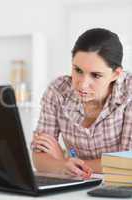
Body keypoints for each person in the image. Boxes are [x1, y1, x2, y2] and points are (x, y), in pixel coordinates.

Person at [31, 28, 132, 179]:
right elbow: (39, 156)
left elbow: (127, 163)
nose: (82, 84)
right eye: (77, 70)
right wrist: (62, 165)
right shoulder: (57, 91)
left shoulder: (128, 93)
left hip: (121, 187)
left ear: (115, 74)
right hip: (77, 184)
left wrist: (62, 162)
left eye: (96, 75)